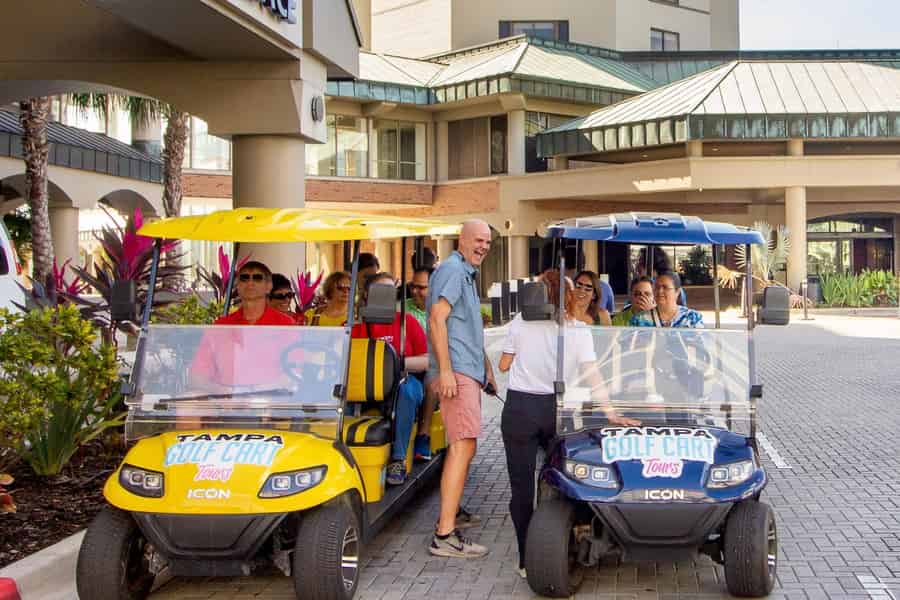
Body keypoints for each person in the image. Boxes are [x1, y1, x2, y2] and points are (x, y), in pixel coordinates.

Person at [498, 271, 638, 577]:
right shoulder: (577, 331)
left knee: (521, 488)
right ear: (567, 296)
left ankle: (525, 558)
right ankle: (562, 544)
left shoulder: (521, 323)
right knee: (562, 478)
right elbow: (592, 376)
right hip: (557, 409)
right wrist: (611, 412)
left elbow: (504, 364)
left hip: (519, 408)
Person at [427, 219, 495, 559]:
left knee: (465, 445)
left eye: (487, 242)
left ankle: (451, 515)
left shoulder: (464, 272)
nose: (483, 246)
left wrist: (485, 366)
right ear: (462, 240)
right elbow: (437, 318)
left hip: (468, 370)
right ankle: (444, 534)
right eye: (478, 240)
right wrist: (447, 371)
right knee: (462, 445)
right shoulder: (454, 271)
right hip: (457, 374)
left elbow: (462, 326)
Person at [351, 272, 428, 485]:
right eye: (379, 290)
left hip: (402, 382)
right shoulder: (353, 327)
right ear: (367, 294)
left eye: (389, 290)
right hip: (361, 386)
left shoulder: (407, 322)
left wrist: (394, 364)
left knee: (407, 392)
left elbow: (426, 360)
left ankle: (398, 458)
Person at [404, 267, 437, 462]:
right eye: (412, 286)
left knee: (433, 376)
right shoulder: (402, 308)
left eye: (421, 287)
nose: (415, 291)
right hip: (406, 364)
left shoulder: (441, 311)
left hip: (431, 367)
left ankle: (423, 435)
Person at [215, 261, 296, 326]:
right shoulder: (222, 325)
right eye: (244, 278)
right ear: (238, 286)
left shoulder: (285, 324)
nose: (250, 283)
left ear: (269, 286)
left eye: (257, 278)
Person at [629, 271, 704, 328]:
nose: (660, 291)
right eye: (657, 287)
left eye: (665, 287)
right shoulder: (639, 320)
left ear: (677, 292)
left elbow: (699, 346)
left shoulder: (692, 317)